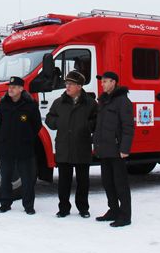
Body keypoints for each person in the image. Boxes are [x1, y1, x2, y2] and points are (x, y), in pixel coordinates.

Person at [45, 70, 97, 218]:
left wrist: (87, 126)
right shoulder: (58, 102)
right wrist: (58, 122)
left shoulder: (91, 103)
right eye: (66, 84)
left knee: (83, 181)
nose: (67, 87)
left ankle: (83, 208)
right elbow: (49, 118)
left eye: (71, 84)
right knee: (63, 182)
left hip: (82, 147)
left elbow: (96, 120)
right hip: (64, 147)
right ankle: (63, 208)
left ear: (79, 86)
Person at [92, 71, 134, 227]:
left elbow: (128, 127)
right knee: (107, 182)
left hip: (117, 151)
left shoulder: (122, 101)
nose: (102, 84)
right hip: (104, 150)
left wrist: (124, 148)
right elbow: (100, 126)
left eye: (105, 81)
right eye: (102, 82)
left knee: (120, 184)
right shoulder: (103, 102)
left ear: (114, 82)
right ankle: (113, 210)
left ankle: (125, 215)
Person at [0, 76, 42, 215]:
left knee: (27, 178)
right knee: (6, 177)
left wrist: (27, 138)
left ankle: (28, 205)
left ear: (21, 89)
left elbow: (37, 125)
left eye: (14, 87)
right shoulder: (2, 104)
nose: (11, 89)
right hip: (6, 147)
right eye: (10, 87)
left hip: (24, 147)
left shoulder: (30, 105)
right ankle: (5, 203)